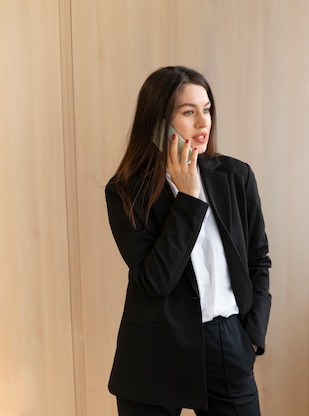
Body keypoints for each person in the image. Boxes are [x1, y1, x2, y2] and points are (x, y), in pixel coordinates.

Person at [105, 65, 271, 416]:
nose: (203, 123)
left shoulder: (236, 176)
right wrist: (189, 199)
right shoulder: (124, 191)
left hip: (227, 343)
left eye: (207, 109)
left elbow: (258, 259)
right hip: (153, 353)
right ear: (158, 122)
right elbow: (155, 280)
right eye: (188, 112)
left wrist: (252, 335)